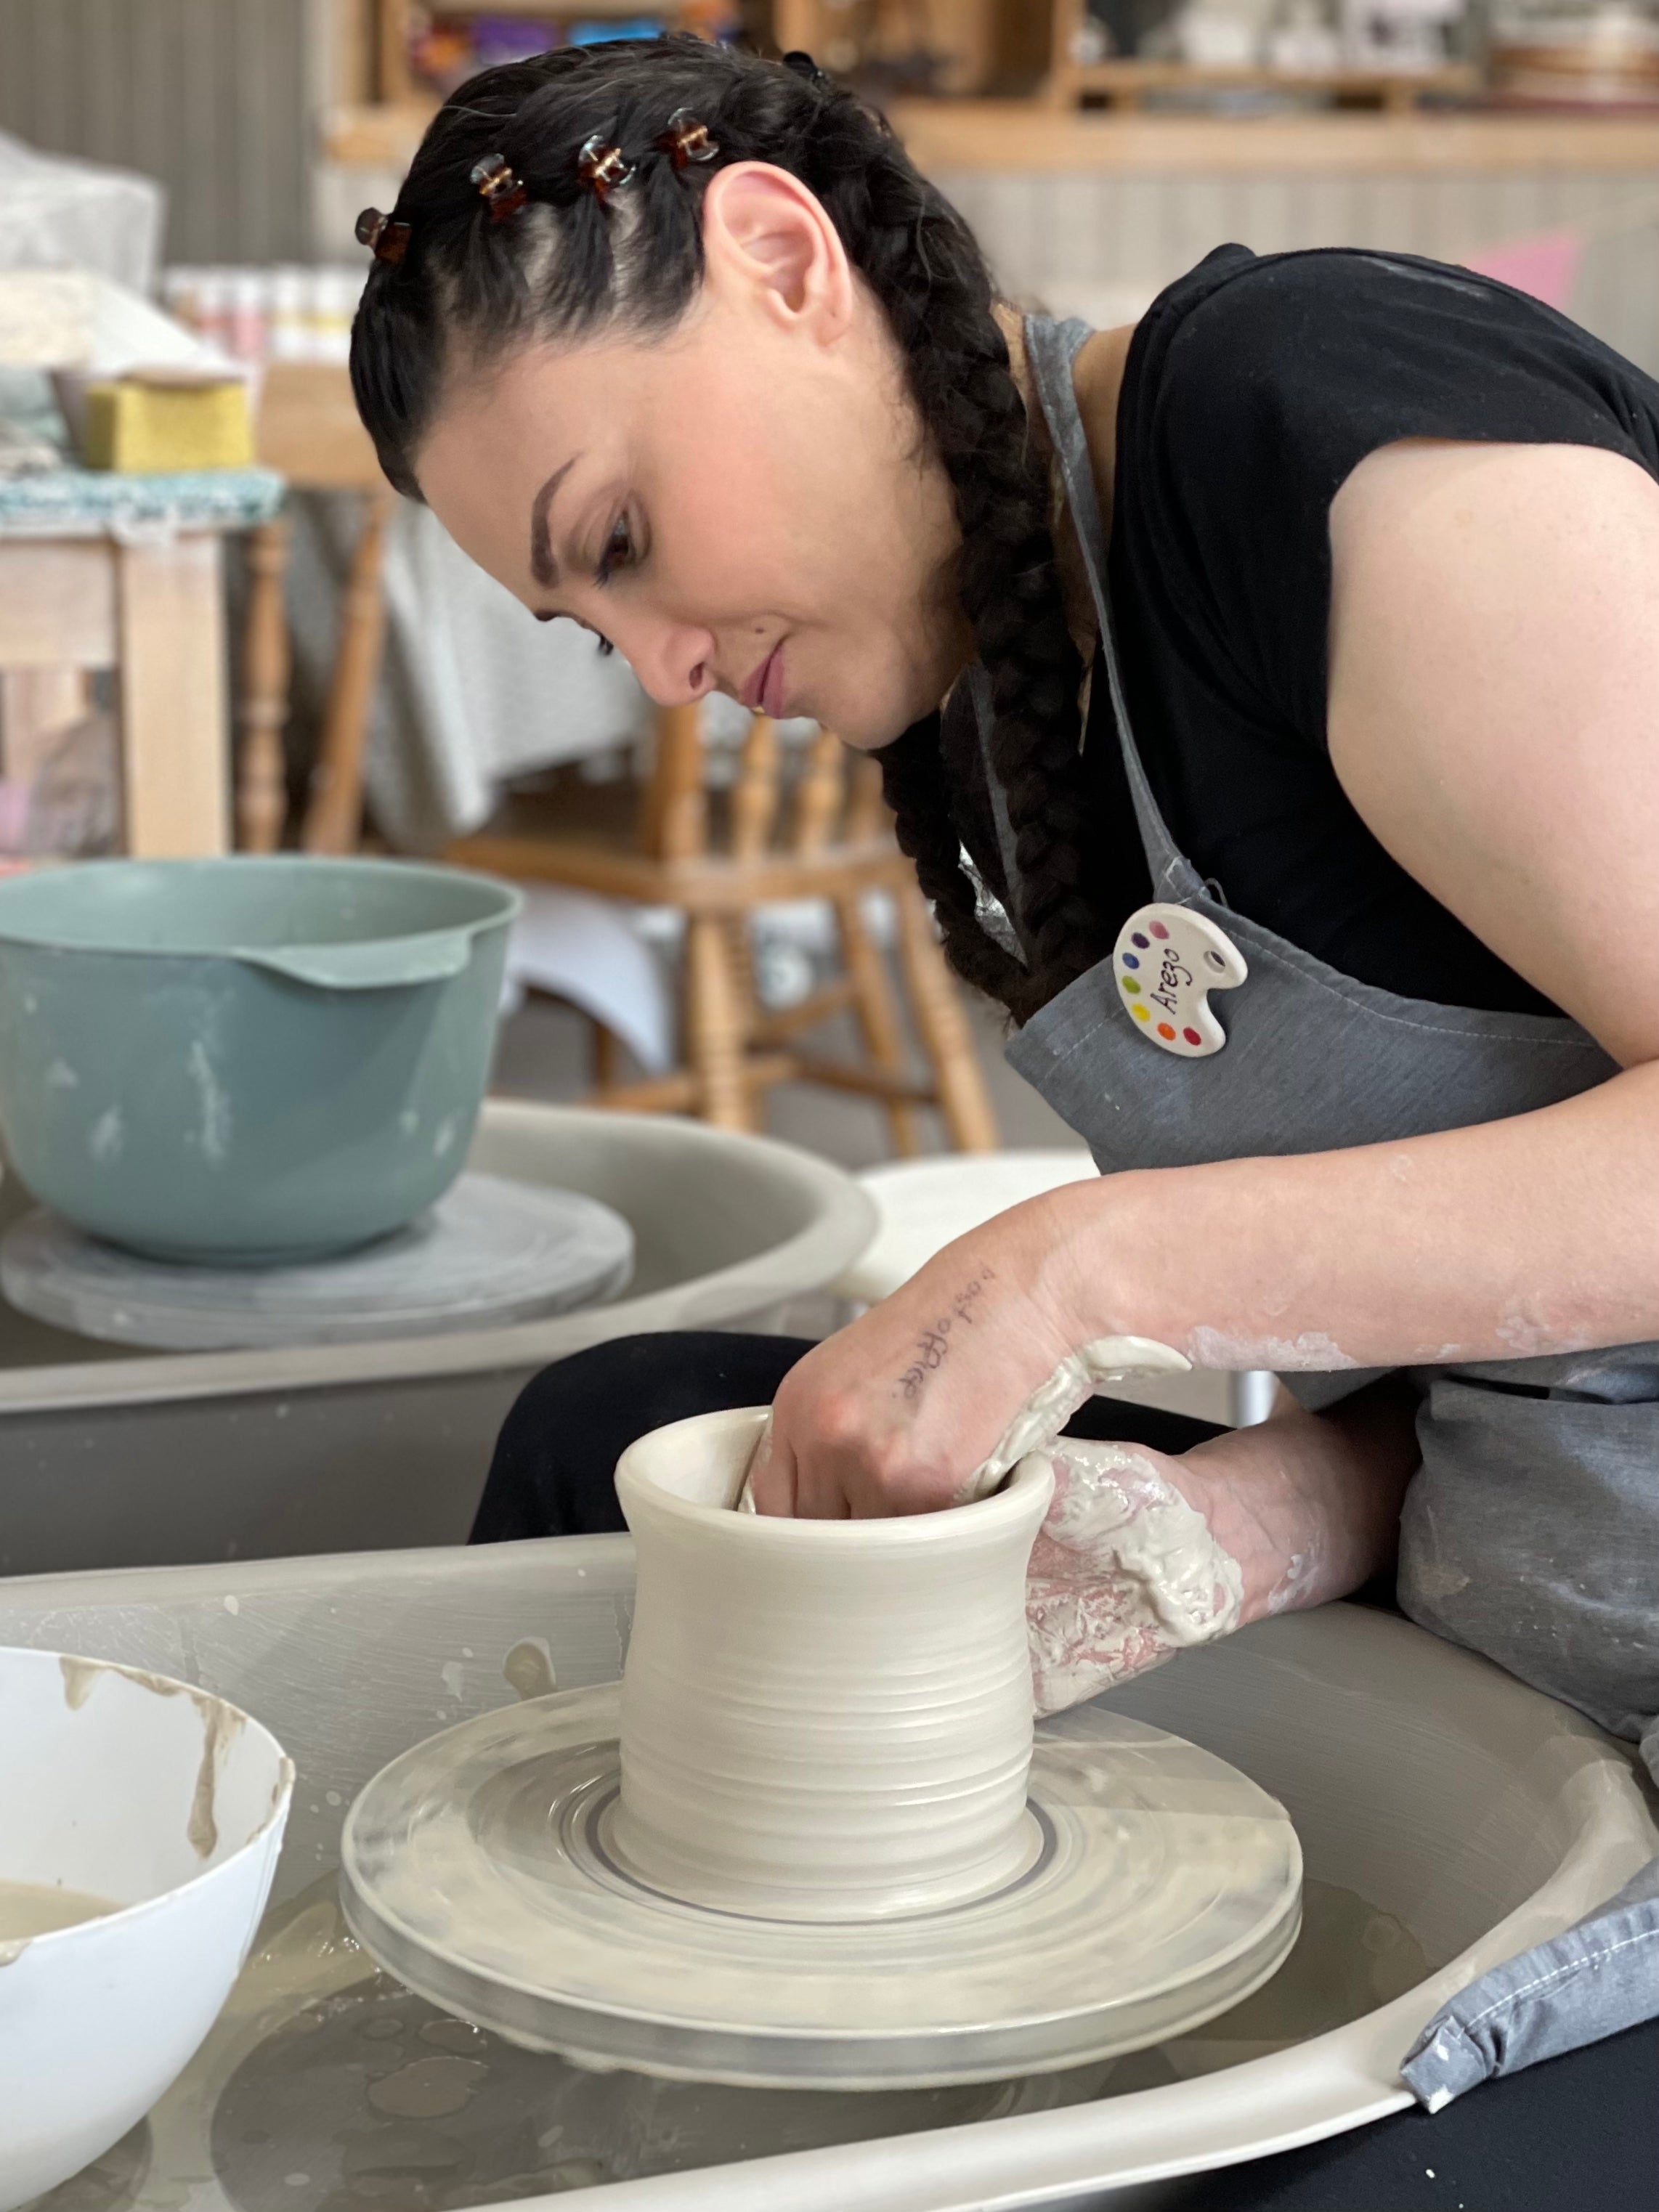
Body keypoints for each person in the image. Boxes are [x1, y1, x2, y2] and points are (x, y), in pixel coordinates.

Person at [348, 33, 1658, 2047]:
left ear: (781, 259)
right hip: (1513, 1569)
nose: (663, 674)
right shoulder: (998, 697)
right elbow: (1526, 1351)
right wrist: (1263, 1517)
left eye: (615, 542)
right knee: (606, 1443)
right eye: (579, 630)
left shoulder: (1288, 424)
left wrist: (1079, 1272)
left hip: (1609, 1677)